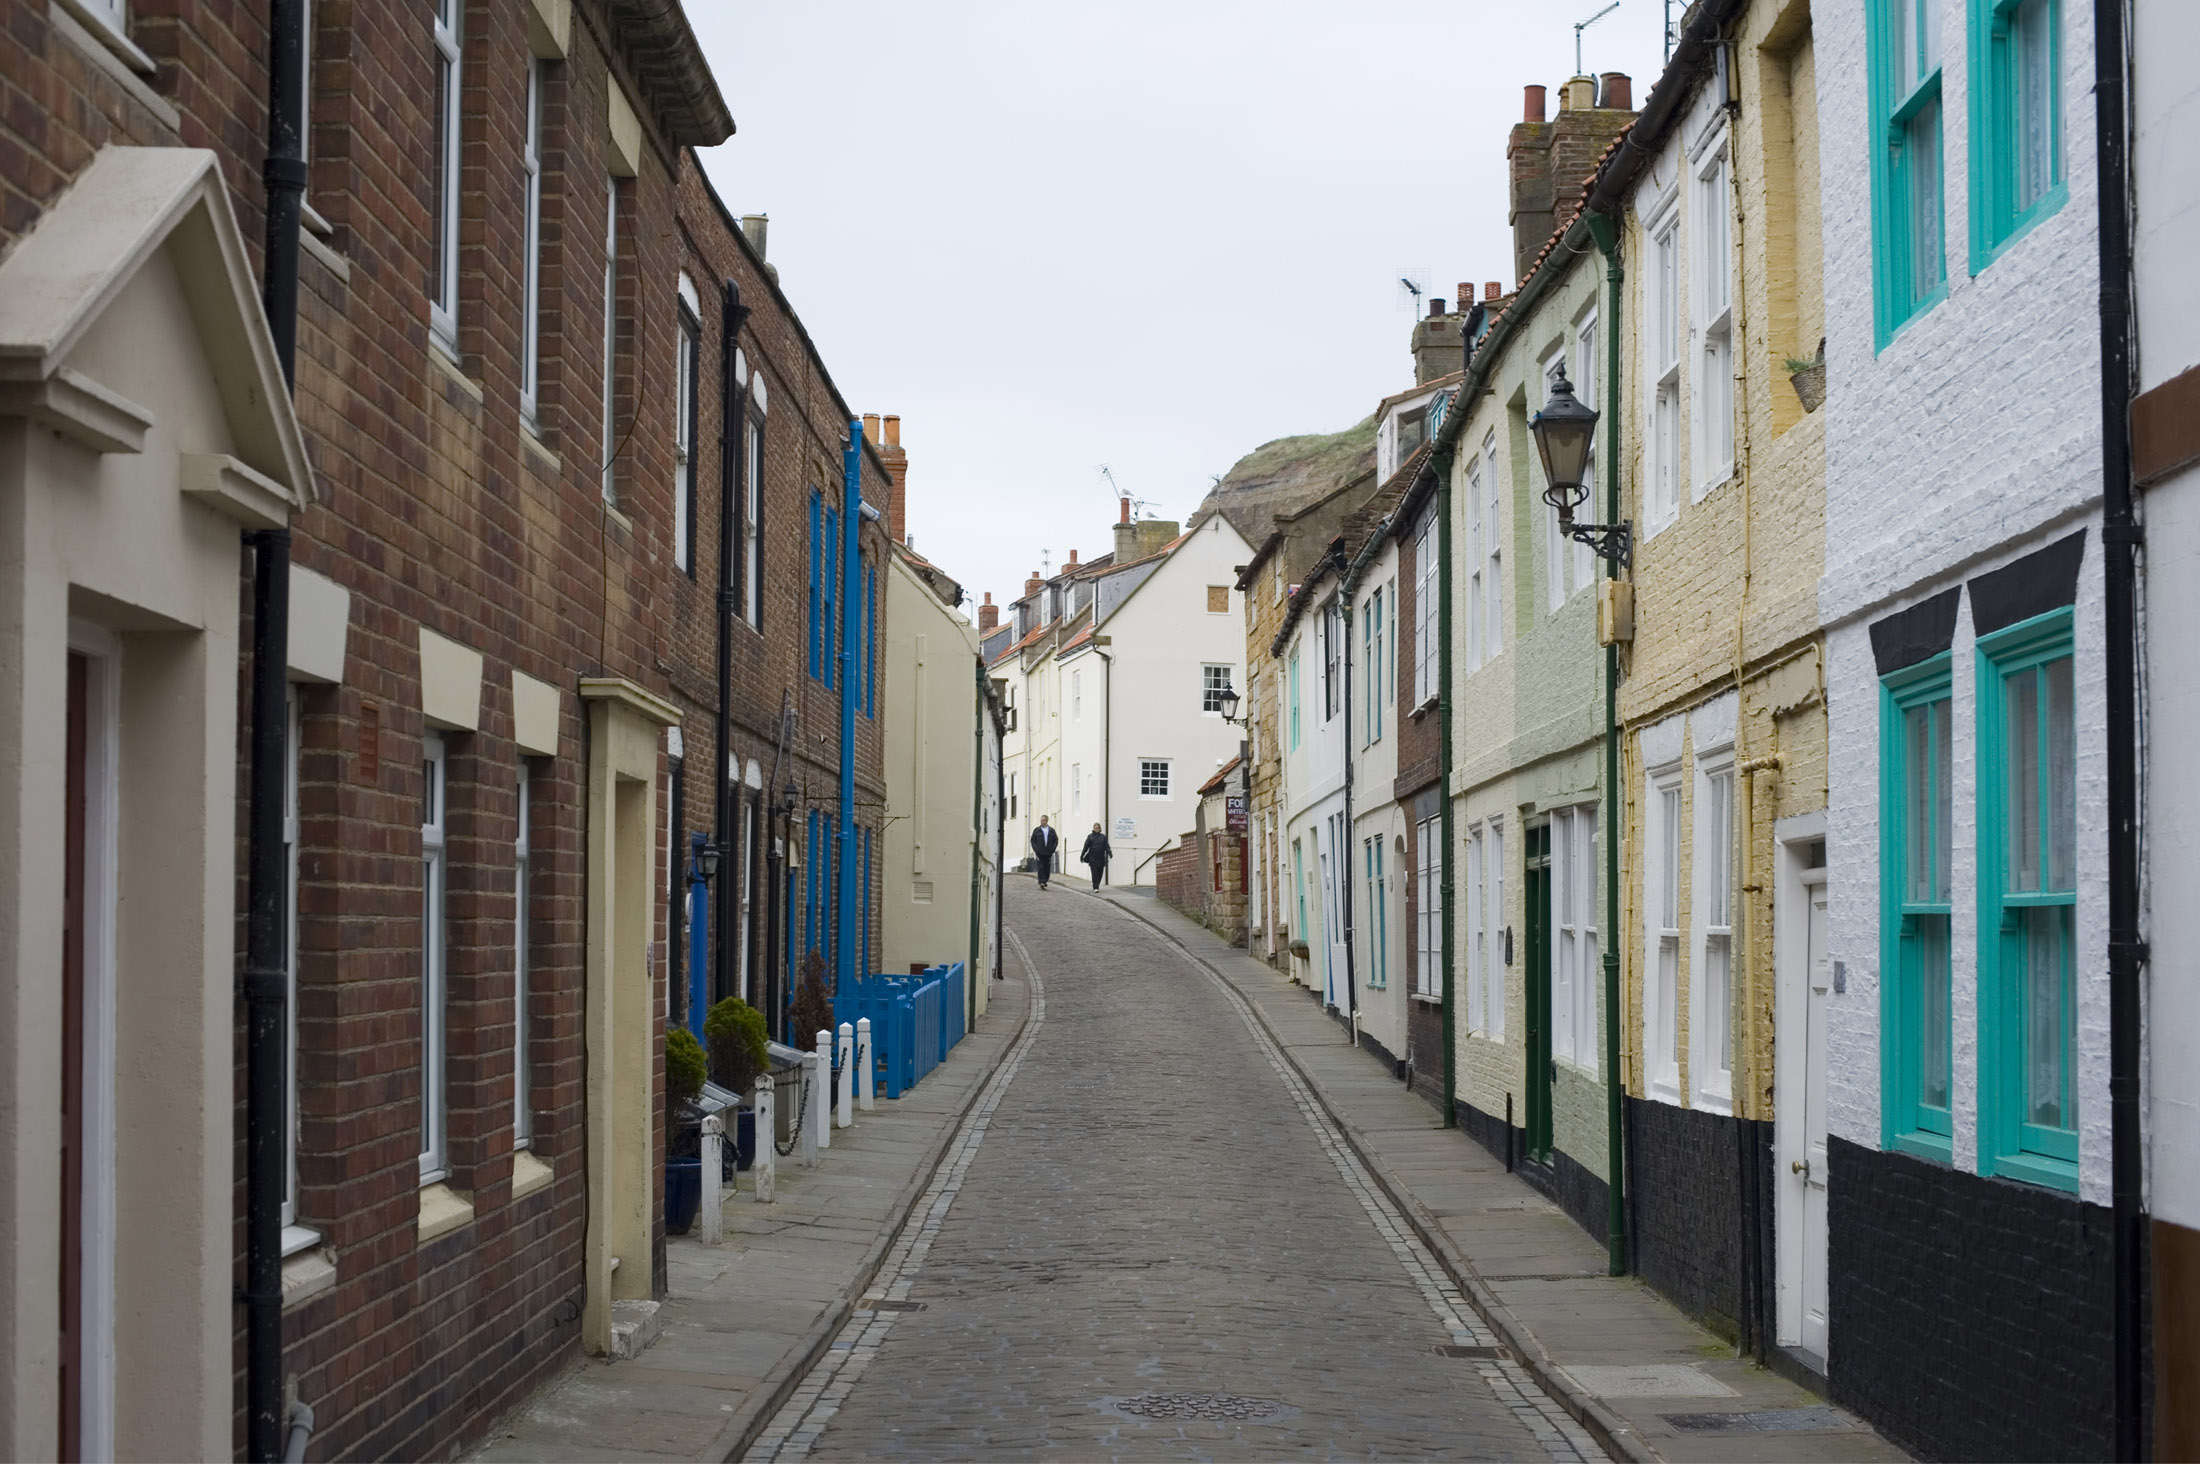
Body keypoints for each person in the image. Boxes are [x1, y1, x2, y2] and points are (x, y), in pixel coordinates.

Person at [1030, 815, 1059, 890]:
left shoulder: (1051, 831)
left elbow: (1056, 840)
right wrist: (1036, 849)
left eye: (1044, 820)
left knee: (1047, 867)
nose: (1042, 822)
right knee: (1040, 867)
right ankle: (1041, 882)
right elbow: (1033, 840)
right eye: (1041, 820)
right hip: (1040, 852)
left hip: (1048, 853)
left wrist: (1052, 849)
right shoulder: (1037, 830)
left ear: (1046, 821)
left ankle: (1045, 881)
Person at [1080, 823, 1111, 890]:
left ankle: (1097, 884)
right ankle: (1095, 887)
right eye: (1095, 828)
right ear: (1093, 829)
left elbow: (1106, 846)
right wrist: (1082, 855)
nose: (1097, 829)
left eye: (1098, 828)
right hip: (1092, 858)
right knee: (1094, 873)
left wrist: (1109, 853)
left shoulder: (1103, 837)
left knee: (1100, 873)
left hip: (1101, 858)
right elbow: (1086, 846)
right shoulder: (1090, 837)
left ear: (1100, 829)